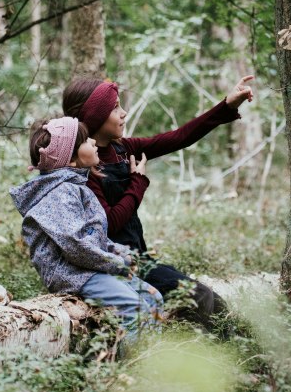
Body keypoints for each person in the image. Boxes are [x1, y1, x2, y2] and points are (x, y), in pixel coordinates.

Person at [62, 75, 254, 330]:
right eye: (115, 108)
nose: (124, 112)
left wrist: (227, 105)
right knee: (199, 297)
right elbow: (109, 222)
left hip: (139, 259)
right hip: (117, 265)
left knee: (213, 301)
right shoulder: (84, 170)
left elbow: (179, 137)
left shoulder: (123, 149)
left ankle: (242, 356)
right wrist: (138, 182)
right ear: (96, 117)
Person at [10, 116, 163, 343]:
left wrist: (119, 252)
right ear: (71, 160)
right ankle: (134, 368)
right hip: (70, 274)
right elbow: (76, 245)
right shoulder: (60, 193)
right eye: (85, 141)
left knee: (154, 298)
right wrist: (115, 263)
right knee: (133, 305)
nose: (93, 141)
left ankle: (153, 356)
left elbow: (93, 235)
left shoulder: (76, 186)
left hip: (87, 268)